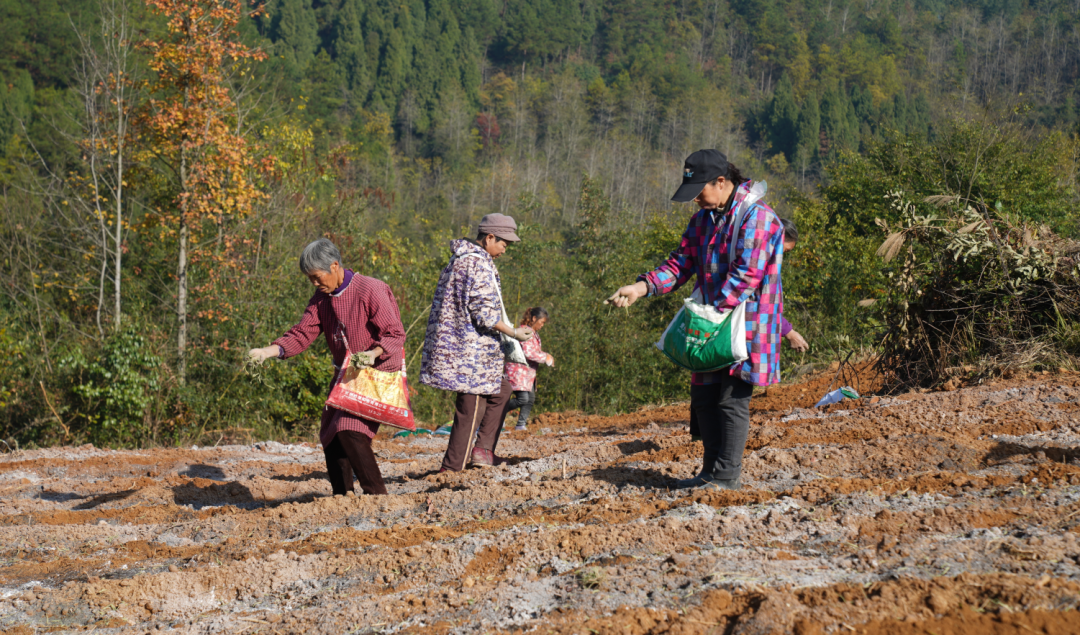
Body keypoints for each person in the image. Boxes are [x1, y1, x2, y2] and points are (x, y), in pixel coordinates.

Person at [607, 149, 784, 491]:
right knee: (704, 398)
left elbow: (747, 274)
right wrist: (641, 287)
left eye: (700, 191)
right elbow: (681, 264)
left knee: (730, 400)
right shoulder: (704, 219)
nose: (696, 201)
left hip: (743, 324)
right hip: (709, 322)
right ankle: (709, 471)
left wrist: (712, 312)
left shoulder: (758, 217)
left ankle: (726, 475)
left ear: (721, 182)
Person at [247, 238, 405, 496]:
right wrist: (267, 352)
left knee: (349, 429)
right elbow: (301, 333)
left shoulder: (371, 289)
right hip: (346, 375)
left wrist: (373, 353)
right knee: (331, 434)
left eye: (317, 277)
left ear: (334, 266)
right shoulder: (321, 299)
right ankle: (342, 497)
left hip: (376, 372)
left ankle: (377, 496)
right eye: (310, 279)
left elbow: (395, 334)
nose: (315, 283)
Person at [420, 213, 534, 472]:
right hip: (471, 350)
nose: (505, 250)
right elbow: (484, 314)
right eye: (504, 244)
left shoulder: (460, 260)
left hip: (465, 348)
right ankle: (451, 470)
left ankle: (482, 451)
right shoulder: (477, 263)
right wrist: (514, 333)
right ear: (490, 238)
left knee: (502, 390)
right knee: (470, 407)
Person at [687, 217, 808, 442]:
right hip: (729, 326)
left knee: (709, 382)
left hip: (713, 319)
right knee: (722, 392)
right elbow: (760, 304)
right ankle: (712, 447)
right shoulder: (756, 259)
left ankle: (706, 441)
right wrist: (788, 331)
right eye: (785, 250)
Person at [504, 307, 554, 432]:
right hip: (518, 372)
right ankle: (498, 410)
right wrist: (545, 357)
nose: (542, 325)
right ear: (533, 319)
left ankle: (521, 424)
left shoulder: (533, 333)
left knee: (530, 398)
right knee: (523, 399)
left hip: (528, 374)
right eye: (541, 322)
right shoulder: (525, 331)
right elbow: (529, 353)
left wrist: (545, 355)